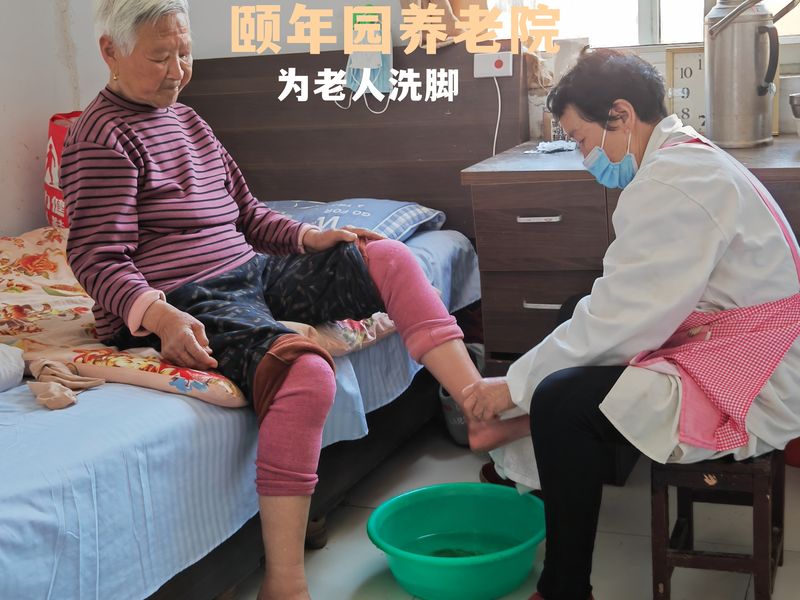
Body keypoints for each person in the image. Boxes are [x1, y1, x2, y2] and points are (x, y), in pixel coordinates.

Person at [61, 2, 484, 598]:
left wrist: (310, 237)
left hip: (250, 269)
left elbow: (250, 214)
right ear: (110, 52)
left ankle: (475, 405)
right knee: (305, 373)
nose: (177, 71)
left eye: (184, 53)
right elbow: (94, 256)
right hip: (184, 296)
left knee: (387, 255)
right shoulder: (100, 137)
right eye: (159, 57)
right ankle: (284, 583)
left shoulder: (188, 120)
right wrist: (157, 315)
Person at [463, 48, 800, 600]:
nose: (584, 157)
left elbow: (623, 319)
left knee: (561, 400)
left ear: (620, 114)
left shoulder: (674, 183)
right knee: (576, 310)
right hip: (743, 333)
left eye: (581, 139)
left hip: (759, 370)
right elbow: (625, 305)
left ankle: (565, 587)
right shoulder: (684, 157)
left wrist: (512, 386)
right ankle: (542, 463)